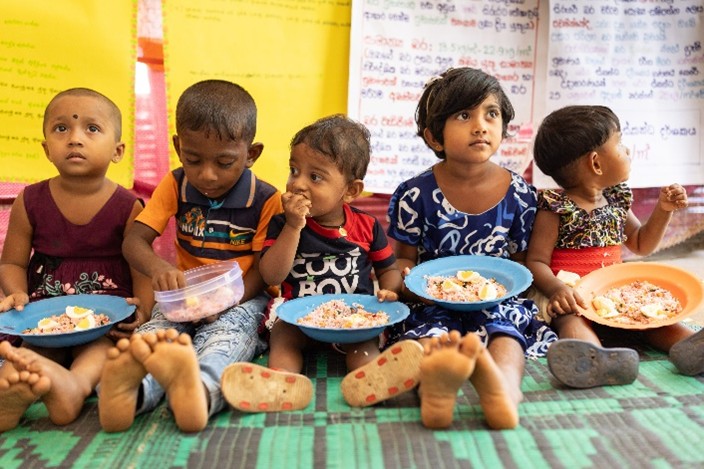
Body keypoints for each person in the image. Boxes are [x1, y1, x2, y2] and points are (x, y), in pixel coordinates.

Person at [368, 67, 558, 430]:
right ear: (434, 136)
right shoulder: (415, 194)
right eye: (463, 115)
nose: (481, 125)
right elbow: (404, 258)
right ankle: (435, 389)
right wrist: (404, 281)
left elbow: (519, 267)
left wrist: (513, 291)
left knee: (508, 332)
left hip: (497, 299)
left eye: (491, 113)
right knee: (425, 337)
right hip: (432, 300)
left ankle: (503, 388)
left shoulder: (520, 194)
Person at [97, 80, 282, 433]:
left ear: (251, 154)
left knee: (228, 339)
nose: (206, 174)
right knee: (157, 334)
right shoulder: (176, 184)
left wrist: (227, 300)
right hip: (182, 297)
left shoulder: (266, 199)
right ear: (178, 146)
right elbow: (134, 241)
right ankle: (131, 392)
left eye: (225, 162)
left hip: (242, 298)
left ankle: (197, 389)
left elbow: (263, 272)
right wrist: (159, 268)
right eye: (193, 159)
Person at [220, 114, 421, 413]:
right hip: (300, 319)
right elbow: (271, 274)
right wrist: (293, 227)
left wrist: (392, 290)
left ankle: (370, 381)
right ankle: (282, 382)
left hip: (354, 319)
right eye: (293, 170)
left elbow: (388, 269)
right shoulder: (282, 223)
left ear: (350, 191)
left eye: (315, 177)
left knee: (363, 345)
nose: (297, 183)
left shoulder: (366, 226)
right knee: (282, 336)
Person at [0, 88, 152, 432]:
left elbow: (141, 267)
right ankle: (11, 391)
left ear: (118, 151)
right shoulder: (30, 200)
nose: (75, 139)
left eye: (91, 129)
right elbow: (11, 263)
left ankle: (74, 389)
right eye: (61, 129)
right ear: (46, 149)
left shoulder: (128, 207)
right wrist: (17, 295)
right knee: (30, 350)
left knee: (101, 350)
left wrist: (142, 310)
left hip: (105, 313)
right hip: (45, 314)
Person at [526, 104, 699, 387]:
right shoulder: (556, 207)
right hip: (573, 293)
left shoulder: (616, 199)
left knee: (654, 319)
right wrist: (558, 290)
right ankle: (594, 361)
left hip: (614, 294)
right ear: (596, 163)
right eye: (620, 144)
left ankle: (690, 347)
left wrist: (663, 210)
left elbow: (642, 244)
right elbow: (536, 262)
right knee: (571, 320)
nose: (627, 151)